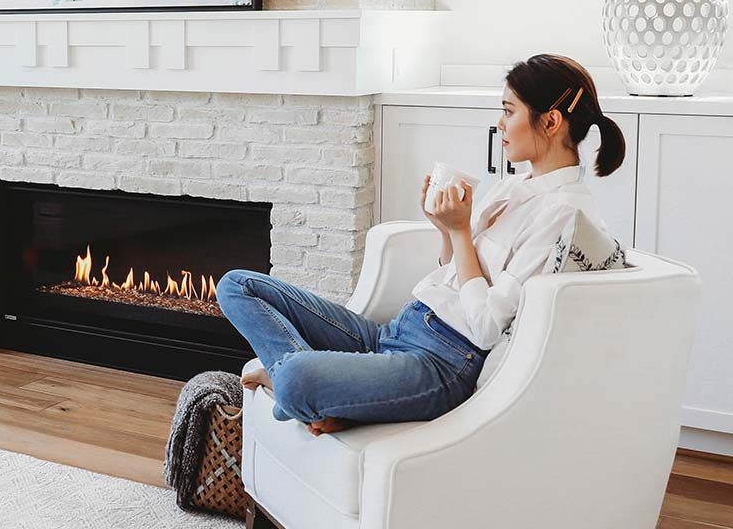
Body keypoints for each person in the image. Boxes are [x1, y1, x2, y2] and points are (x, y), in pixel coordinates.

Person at [218, 53, 627, 436]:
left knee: (294, 378)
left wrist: (462, 231)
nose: (500, 124)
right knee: (237, 285)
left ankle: (301, 382)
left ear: (551, 121)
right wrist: (445, 229)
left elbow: (485, 327)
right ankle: (331, 395)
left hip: (442, 362)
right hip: (399, 330)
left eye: (508, 110)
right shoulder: (515, 185)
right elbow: (458, 272)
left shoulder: (563, 215)